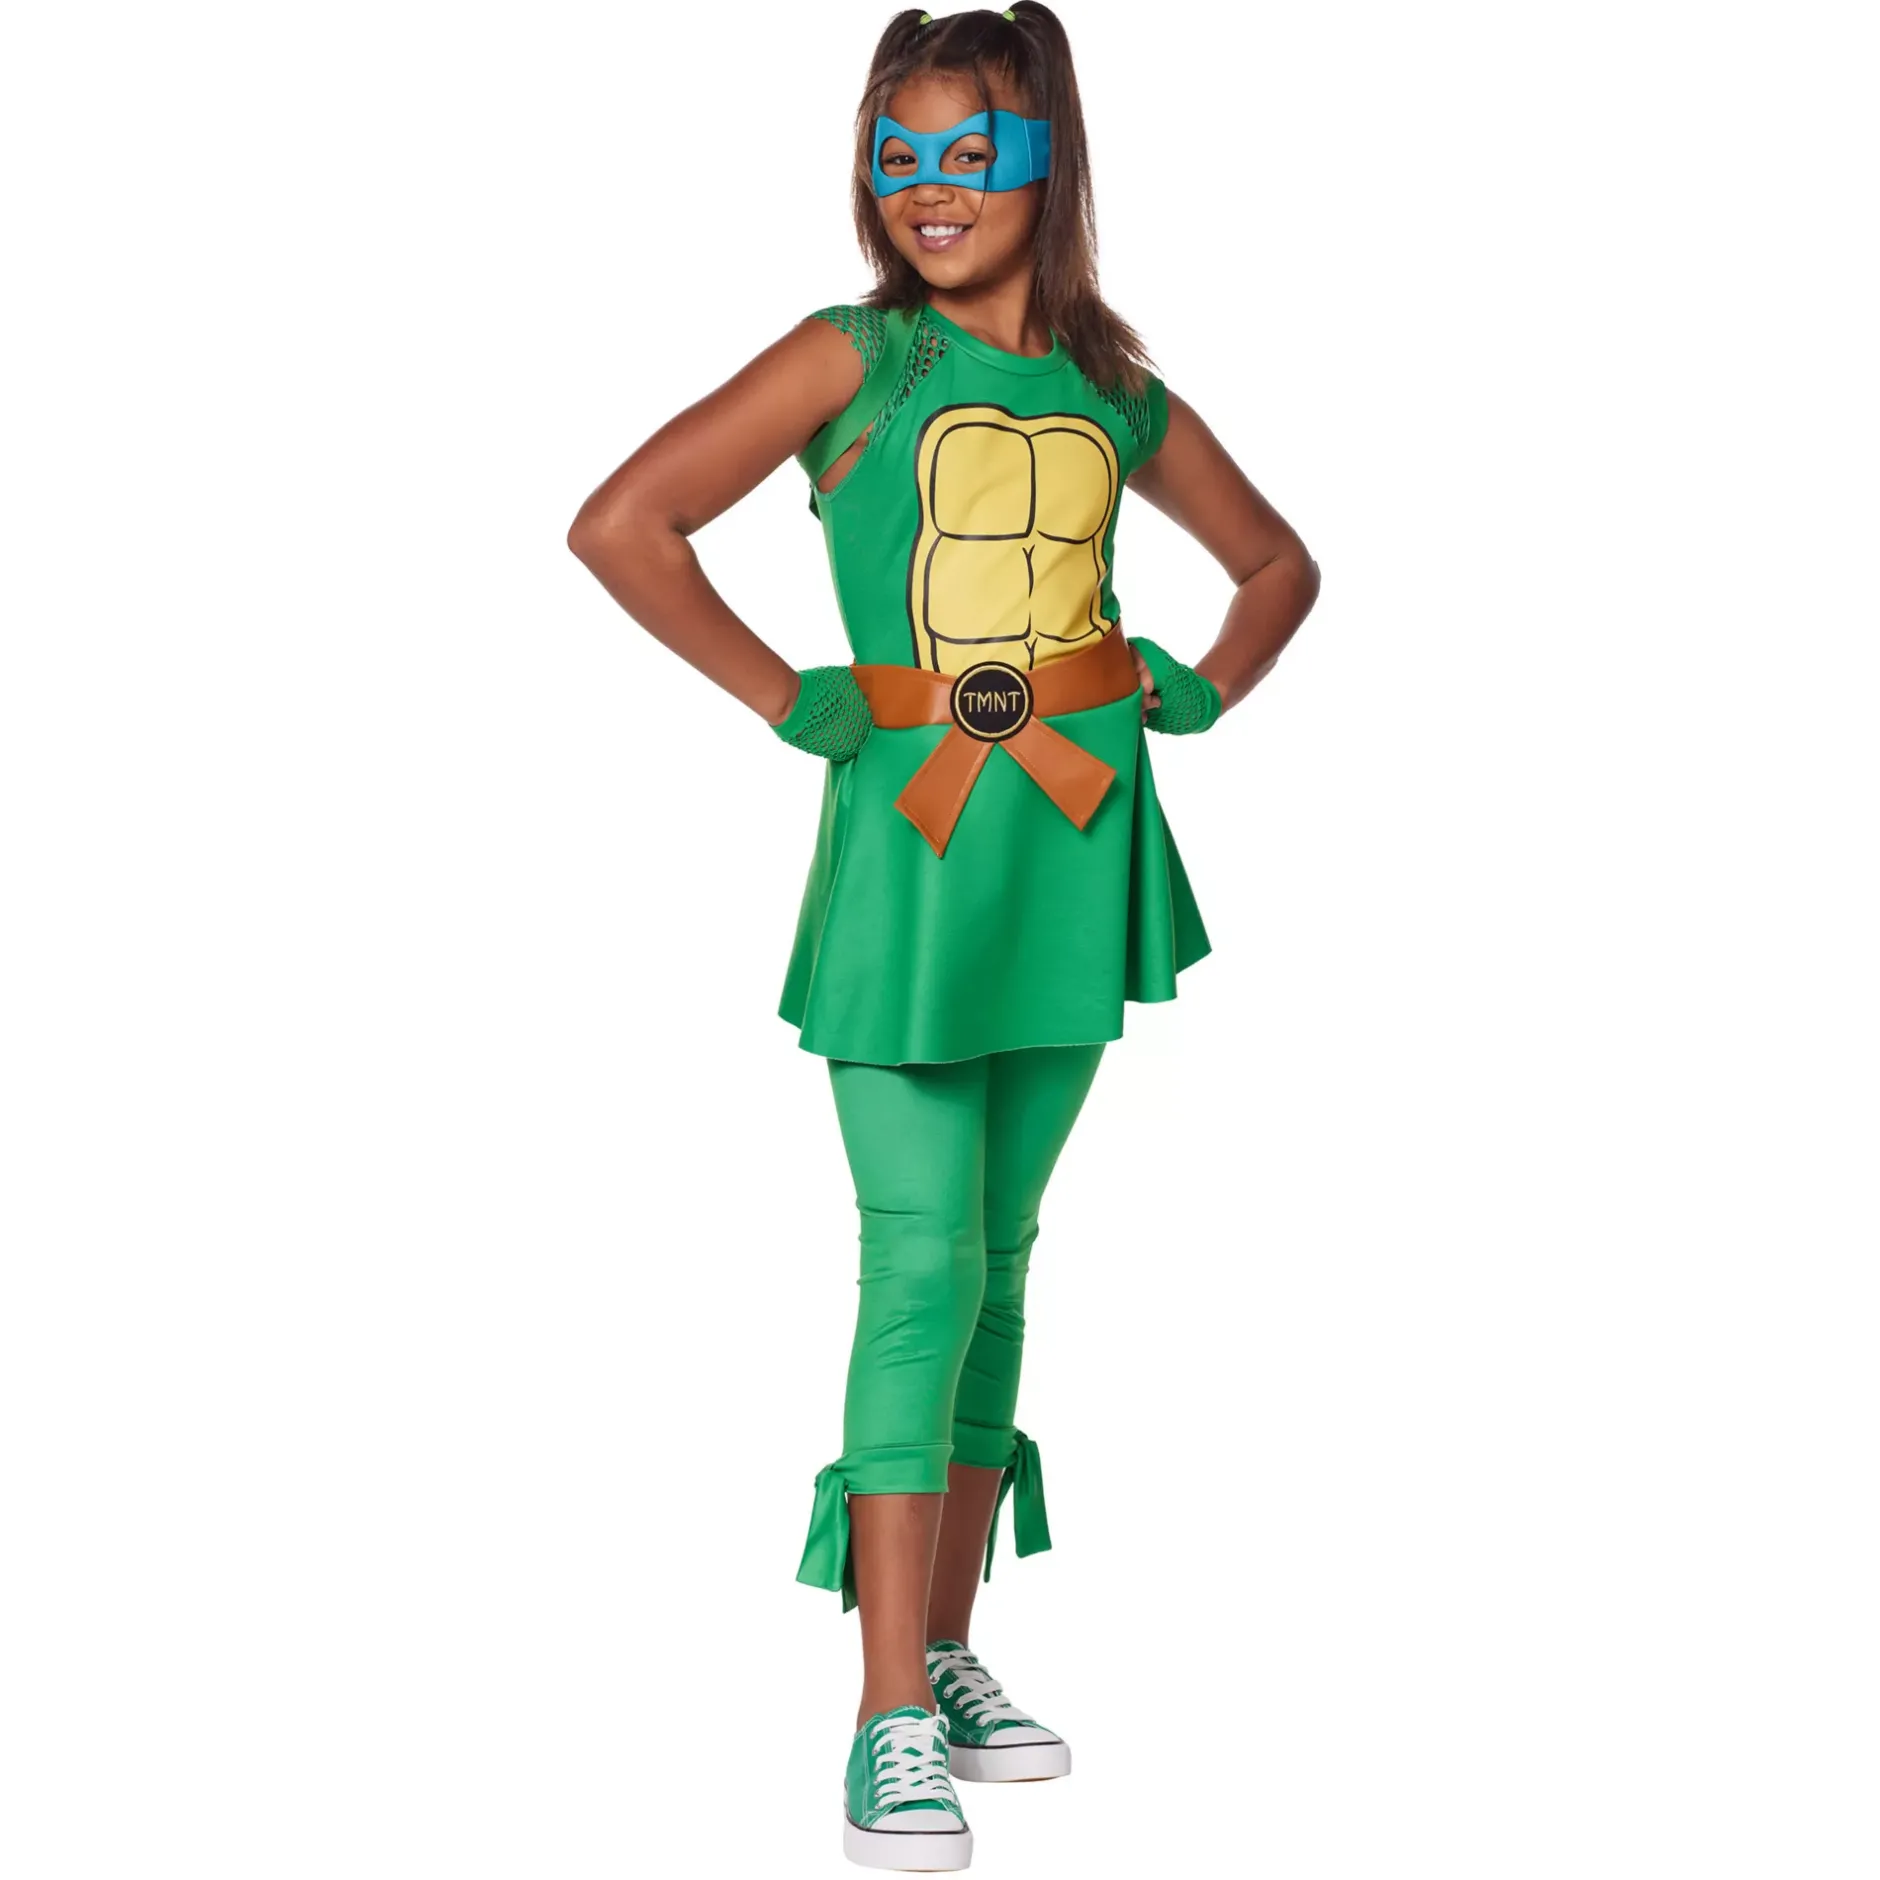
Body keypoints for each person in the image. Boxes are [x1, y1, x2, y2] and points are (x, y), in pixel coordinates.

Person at [567, 5, 1319, 1868]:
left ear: (1047, 163)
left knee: (998, 1266)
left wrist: (1207, 684)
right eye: (896, 155)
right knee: (918, 1266)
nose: (930, 190)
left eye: (970, 156)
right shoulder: (854, 358)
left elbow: (1278, 562)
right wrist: (788, 696)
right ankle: (884, 1712)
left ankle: (951, 1652)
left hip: (1074, 840)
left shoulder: (1114, 383)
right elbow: (626, 522)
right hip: (911, 857)